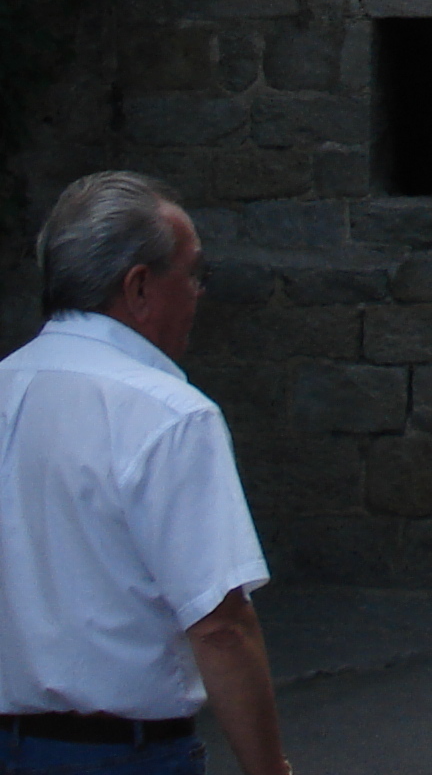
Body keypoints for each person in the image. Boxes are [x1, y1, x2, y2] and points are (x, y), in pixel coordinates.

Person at [1, 173, 288, 775]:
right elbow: (221, 629)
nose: (199, 294)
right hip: (121, 755)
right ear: (138, 288)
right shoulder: (168, 415)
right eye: (192, 274)